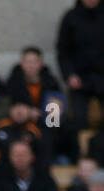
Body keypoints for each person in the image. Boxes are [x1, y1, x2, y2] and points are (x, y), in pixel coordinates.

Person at [56, 0, 104, 134]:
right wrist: (69, 75)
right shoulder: (71, 17)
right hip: (80, 80)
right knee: (78, 121)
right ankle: (81, 153)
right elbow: (63, 51)